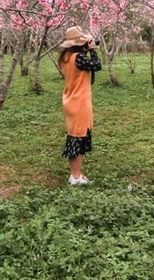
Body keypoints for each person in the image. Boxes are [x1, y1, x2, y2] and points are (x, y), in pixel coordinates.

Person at [58, 25, 102, 186]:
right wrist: (93, 50)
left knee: (74, 138)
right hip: (79, 103)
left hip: (70, 100)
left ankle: (75, 174)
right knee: (79, 140)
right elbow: (96, 65)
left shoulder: (66, 58)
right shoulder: (78, 57)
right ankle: (75, 177)